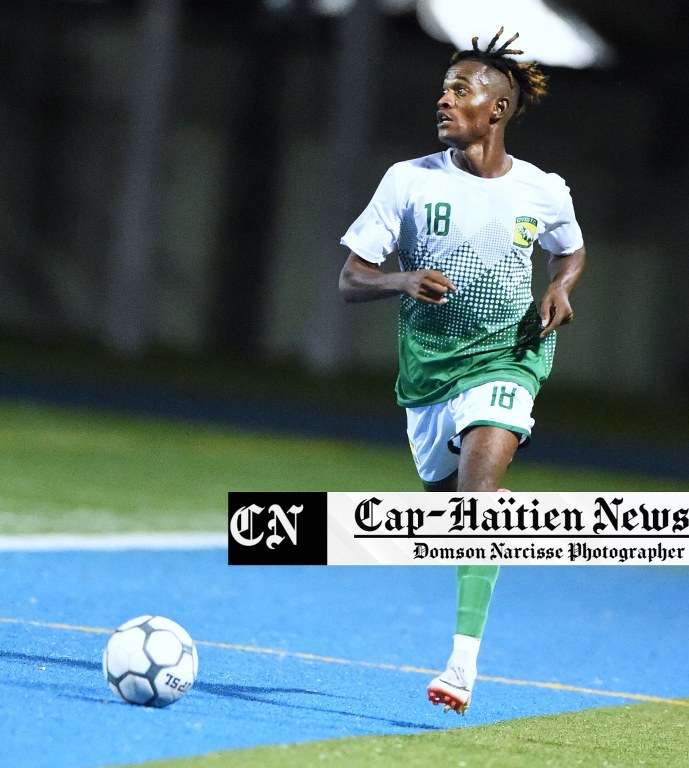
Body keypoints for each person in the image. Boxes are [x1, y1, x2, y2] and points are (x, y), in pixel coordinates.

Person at [338, 28, 586, 715]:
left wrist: (561, 287)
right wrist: (401, 279)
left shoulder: (542, 190)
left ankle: (461, 664)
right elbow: (351, 277)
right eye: (442, 88)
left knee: (480, 496)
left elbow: (569, 251)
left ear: (496, 109)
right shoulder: (408, 181)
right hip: (427, 377)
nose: (443, 100)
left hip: (510, 357)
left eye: (459, 89)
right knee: (454, 515)